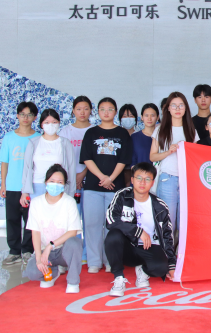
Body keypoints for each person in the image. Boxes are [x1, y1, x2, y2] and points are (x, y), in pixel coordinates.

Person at [105, 162, 176, 297]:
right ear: (132, 180)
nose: (142, 182)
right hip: (128, 248)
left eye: (147, 179)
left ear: (152, 183)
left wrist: (171, 264)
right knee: (113, 236)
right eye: (139, 178)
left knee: (162, 268)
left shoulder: (160, 206)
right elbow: (110, 221)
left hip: (149, 248)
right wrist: (137, 231)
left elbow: (167, 236)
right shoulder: (122, 196)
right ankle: (119, 278)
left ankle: (143, 270)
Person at [80, 97, 133, 274]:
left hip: (115, 188)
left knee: (113, 226)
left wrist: (111, 178)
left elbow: (124, 159)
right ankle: (94, 261)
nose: (106, 112)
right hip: (92, 187)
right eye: (102, 109)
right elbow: (87, 158)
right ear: (98, 112)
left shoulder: (122, 133)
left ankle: (112, 260)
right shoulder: (91, 133)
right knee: (92, 225)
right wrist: (102, 177)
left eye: (110, 109)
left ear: (115, 112)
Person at [24, 164, 83, 293]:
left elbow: (73, 232)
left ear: (64, 185)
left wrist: (51, 245)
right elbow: (35, 232)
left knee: (75, 243)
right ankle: (53, 271)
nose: (55, 185)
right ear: (46, 182)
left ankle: (73, 281)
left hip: (63, 250)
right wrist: (39, 258)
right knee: (32, 272)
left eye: (59, 182)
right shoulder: (36, 203)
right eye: (52, 181)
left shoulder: (69, 202)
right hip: (45, 252)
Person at [150, 92, 199, 240]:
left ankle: (180, 252)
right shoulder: (160, 130)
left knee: (184, 222)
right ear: (168, 109)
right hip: (167, 179)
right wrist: (168, 152)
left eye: (181, 105)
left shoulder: (191, 130)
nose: (178, 109)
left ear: (186, 108)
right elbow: (152, 156)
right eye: (174, 105)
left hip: (187, 181)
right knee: (167, 221)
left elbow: (196, 157)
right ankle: (167, 252)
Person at [0, 101, 40, 267]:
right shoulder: (9, 137)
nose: (25, 117)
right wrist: (3, 184)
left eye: (29, 114)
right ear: (17, 116)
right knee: (12, 219)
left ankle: (27, 251)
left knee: (30, 220)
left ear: (35, 117)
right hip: (12, 186)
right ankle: (14, 252)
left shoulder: (38, 138)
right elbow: (5, 162)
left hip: (30, 187)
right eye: (22, 114)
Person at [59, 96, 94, 265]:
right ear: (73, 111)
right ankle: (72, 252)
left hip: (91, 180)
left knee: (89, 219)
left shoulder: (94, 130)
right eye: (79, 109)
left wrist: (83, 173)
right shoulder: (65, 132)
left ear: (91, 111)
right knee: (71, 219)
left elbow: (96, 157)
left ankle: (87, 253)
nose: (82, 112)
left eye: (86, 109)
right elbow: (61, 158)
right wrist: (72, 177)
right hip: (69, 181)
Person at [22, 109, 76, 201]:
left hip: (58, 187)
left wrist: (71, 193)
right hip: (36, 186)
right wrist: (24, 191)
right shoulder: (33, 143)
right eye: (47, 122)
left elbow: (71, 169)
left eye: (54, 122)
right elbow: (26, 168)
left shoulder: (65, 143)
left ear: (59, 123)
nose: (50, 125)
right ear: (41, 124)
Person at [119, 104, 138, 187]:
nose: (128, 119)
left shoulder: (139, 135)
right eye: (124, 116)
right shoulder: (117, 136)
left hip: (135, 172)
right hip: (118, 173)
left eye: (130, 116)